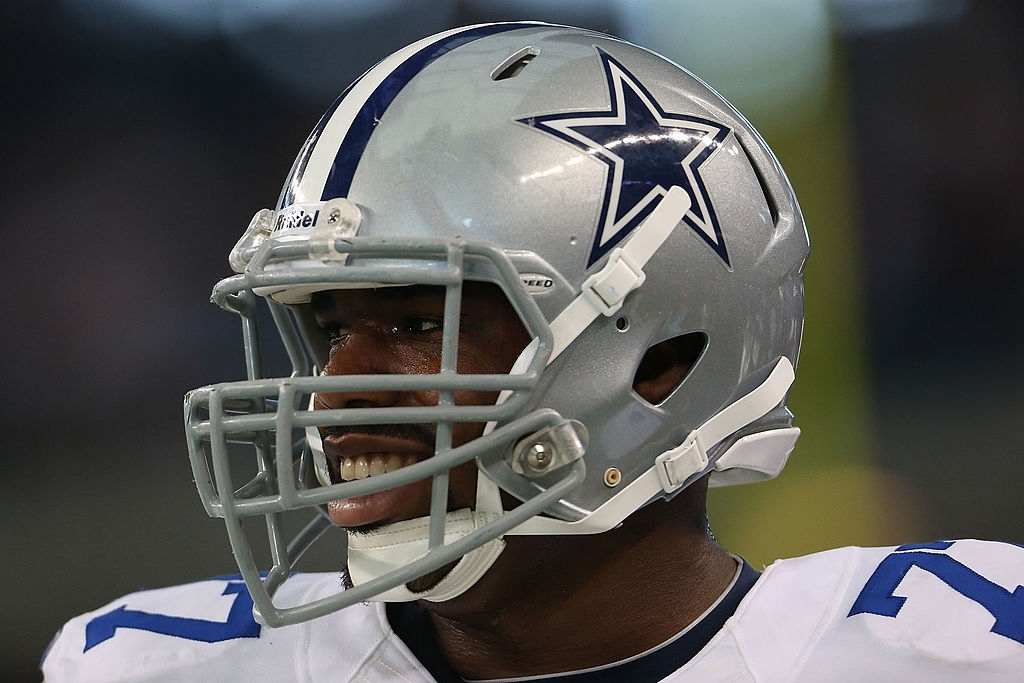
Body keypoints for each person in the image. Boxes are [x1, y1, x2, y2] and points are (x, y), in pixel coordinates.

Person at [43, 21, 1023, 682]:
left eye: (419, 323)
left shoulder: (953, 646)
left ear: (661, 360)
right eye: (332, 327)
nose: (334, 391)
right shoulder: (157, 662)